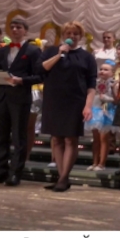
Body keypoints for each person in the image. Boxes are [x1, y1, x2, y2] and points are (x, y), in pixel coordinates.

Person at [0, 18, 43, 186]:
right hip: (1, 96)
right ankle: (0, 171)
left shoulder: (33, 50)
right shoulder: (2, 51)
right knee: (0, 135)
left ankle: (15, 173)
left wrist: (21, 80)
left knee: (18, 136)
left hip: (20, 96)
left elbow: (39, 76)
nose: (15, 30)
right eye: (12, 27)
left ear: (25, 31)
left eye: (18, 27)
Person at [40, 21, 97, 192]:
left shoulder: (87, 57)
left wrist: (88, 106)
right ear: (63, 35)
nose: (72, 36)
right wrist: (59, 54)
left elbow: (91, 85)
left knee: (70, 139)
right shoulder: (51, 51)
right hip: (54, 99)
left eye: (75, 34)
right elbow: (42, 68)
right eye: (68, 33)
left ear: (80, 36)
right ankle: (61, 177)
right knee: (56, 138)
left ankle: (64, 178)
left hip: (75, 101)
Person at [85, 61, 117, 171]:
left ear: (112, 72)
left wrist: (108, 98)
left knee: (104, 138)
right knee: (95, 139)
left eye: (106, 70)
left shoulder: (114, 84)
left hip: (106, 111)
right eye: (101, 69)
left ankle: (102, 163)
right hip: (95, 110)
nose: (102, 71)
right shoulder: (95, 82)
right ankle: (94, 162)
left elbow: (117, 100)